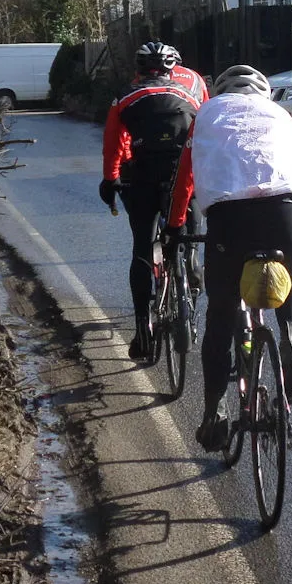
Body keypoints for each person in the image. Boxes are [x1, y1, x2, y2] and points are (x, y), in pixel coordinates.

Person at [167, 64, 292, 451]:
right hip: (291, 211)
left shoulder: (207, 115)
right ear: (263, 95)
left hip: (231, 217)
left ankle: (213, 414)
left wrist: (175, 225)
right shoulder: (282, 115)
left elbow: (186, 179)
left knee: (221, 311)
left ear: (219, 94)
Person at [100, 41, 206, 362]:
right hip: (182, 174)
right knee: (186, 226)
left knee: (142, 249)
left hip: (144, 176)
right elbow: (204, 136)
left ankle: (143, 331)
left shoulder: (125, 97)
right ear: (175, 69)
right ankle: (190, 261)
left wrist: (111, 179)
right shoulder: (190, 94)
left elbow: (113, 142)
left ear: (138, 70)